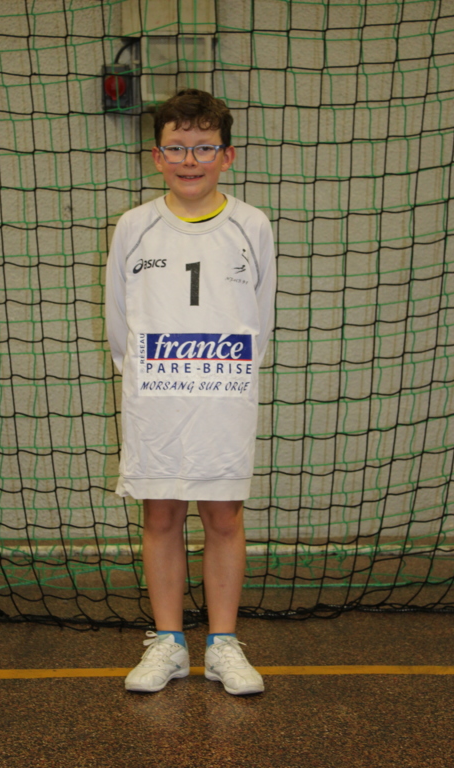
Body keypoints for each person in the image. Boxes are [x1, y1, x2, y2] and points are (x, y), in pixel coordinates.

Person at [105, 89, 276, 695]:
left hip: (224, 394)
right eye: (177, 148)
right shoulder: (134, 227)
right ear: (157, 156)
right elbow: (119, 323)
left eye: (204, 147)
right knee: (161, 512)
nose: (190, 160)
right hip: (157, 395)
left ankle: (223, 644)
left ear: (227, 156)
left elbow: (259, 320)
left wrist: (221, 376)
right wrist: (155, 380)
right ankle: (170, 644)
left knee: (224, 514)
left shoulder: (253, 225)